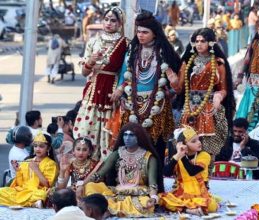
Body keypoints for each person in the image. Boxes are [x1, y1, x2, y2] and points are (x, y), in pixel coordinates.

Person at [110, 11, 181, 165]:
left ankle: (155, 182)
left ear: (154, 34)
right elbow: (126, 75)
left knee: (155, 146)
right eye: (138, 32)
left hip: (157, 105)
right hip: (133, 104)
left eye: (145, 32)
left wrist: (172, 86)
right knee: (130, 144)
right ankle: (130, 180)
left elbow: (179, 84)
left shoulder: (164, 52)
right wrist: (120, 91)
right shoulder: (133, 50)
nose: (140, 35)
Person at [166, 27, 236, 158]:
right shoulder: (187, 62)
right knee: (186, 142)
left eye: (202, 41)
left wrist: (218, 96)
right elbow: (180, 89)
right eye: (197, 41)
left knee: (207, 145)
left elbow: (224, 88)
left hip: (210, 108)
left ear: (210, 43)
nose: (199, 44)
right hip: (190, 109)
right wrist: (174, 81)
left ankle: (206, 171)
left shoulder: (218, 63)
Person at [73, 7, 127, 160]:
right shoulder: (93, 41)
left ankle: (104, 170)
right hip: (93, 91)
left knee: (108, 135)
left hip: (112, 94)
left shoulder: (124, 44)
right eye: (107, 19)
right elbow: (84, 72)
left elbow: (127, 72)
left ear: (120, 23)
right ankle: (86, 165)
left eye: (113, 20)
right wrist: (91, 61)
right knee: (85, 132)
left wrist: (121, 89)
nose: (109, 23)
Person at [79, 123, 163, 217]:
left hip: (138, 195)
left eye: (131, 135)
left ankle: (108, 211)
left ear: (139, 137)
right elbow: (98, 175)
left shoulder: (149, 157)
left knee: (145, 203)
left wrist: (154, 198)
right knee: (90, 186)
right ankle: (109, 210)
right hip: (116, 193)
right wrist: (81, 185)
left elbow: (153, 184)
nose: (127, 138)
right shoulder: (117, 154)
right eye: (125, 135)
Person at [160, 126, 218, 216]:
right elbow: (166, 173)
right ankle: (189, 210)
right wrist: (178, 155)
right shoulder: (178, 157)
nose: (199, 143)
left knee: (211, 206)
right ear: (184, 145)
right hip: (182, 192)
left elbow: (192, 171)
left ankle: (187, 209)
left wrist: (182, 156)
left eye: (198, 139)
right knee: (163, 200)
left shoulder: (204, 155)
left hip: (200, 192)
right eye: (193, 141)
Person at [0, 132, 58, 208]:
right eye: (35, 146)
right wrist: (18, 170)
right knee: (2, 191)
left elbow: (48, 185)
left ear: (48, 148)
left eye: (41, 146)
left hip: (36, 192)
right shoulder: (28, 161)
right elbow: (20, 184)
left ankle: (29, 202)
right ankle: (32, 204)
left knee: (42, 195)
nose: (37, 149)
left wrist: (36, 170)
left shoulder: (51, 164)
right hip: (23, 191)